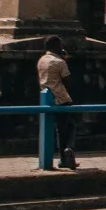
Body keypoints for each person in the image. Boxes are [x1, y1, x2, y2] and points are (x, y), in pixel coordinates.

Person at [37, 36, 78, 169]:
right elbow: (68, 81)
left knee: (57, 129)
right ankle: (68, 150)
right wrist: (64, 59)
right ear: (56, 46)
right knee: (70, 126)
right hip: (61, 98)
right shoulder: (59, 62)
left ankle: (62, 158)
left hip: (47, 99)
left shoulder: (41, 60)